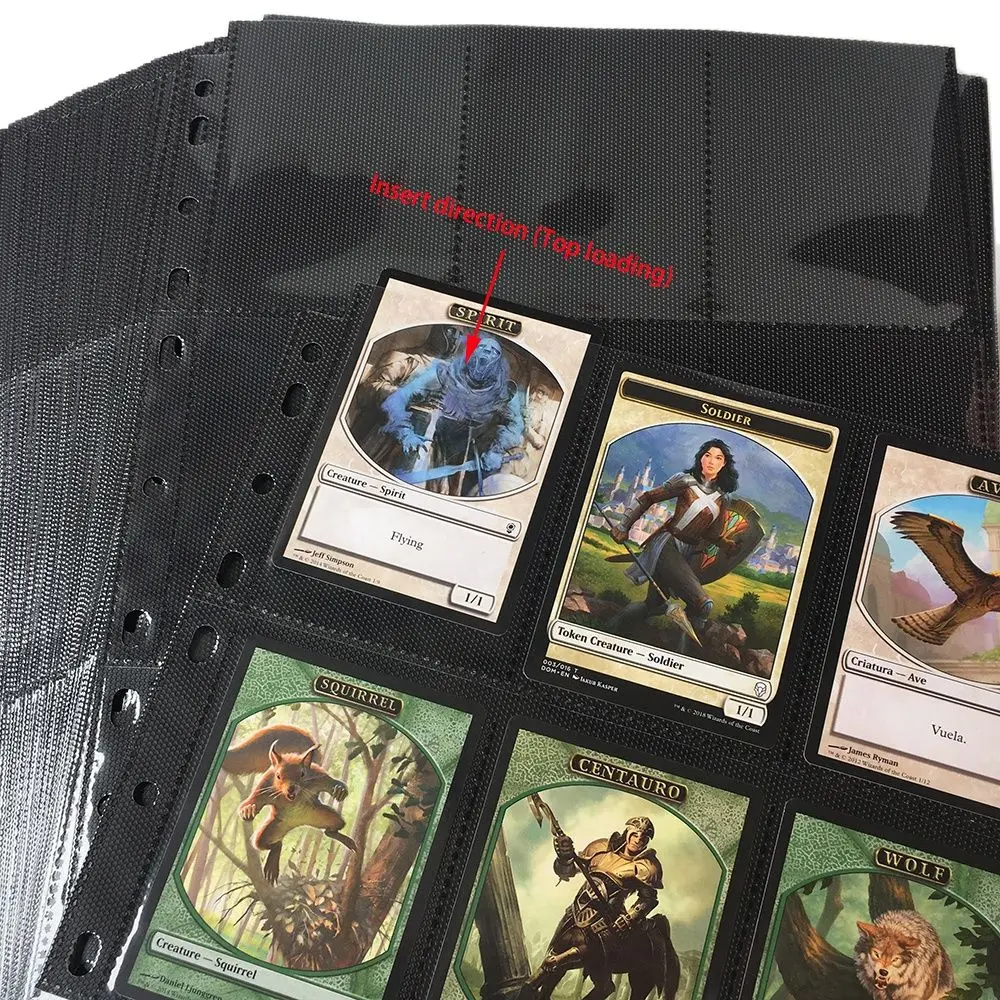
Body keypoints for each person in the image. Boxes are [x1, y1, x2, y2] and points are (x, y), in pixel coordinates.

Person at [607, 439, 739, 634]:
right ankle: (687, 648)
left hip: (688, 553)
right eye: (708, 455)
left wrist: (724, 543)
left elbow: (711, 534)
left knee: (654, 605)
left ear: (724, 464)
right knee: (703, 605)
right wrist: (623, 525)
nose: (711, 461)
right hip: (666, 546)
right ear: (701, 458)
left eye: (718, 458)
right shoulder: (685, 482)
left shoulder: (722, 499)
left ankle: (613, 624)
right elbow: (648, 497)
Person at [525, 817, 663, 999]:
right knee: (552, 954)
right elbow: (567, 871)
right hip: (577, 912)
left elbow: (649, 898)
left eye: (644, 838)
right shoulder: (600, 848)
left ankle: (603, 985)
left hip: (608, 921)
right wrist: (565, 857)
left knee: (601, 975)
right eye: (635, 834)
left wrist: (629, 918)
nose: (638, 840)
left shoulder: (646, 866)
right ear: (627, 833)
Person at [379, 333, 524, 496]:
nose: (486, 352)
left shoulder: (504, 391)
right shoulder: (444, 373)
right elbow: (397, 399)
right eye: (482, 347)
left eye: (493, 351)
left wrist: (496, 450)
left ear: (498, 360)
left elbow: (515, 425)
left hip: (465, 455)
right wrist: (405, 433)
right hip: (426, 441)